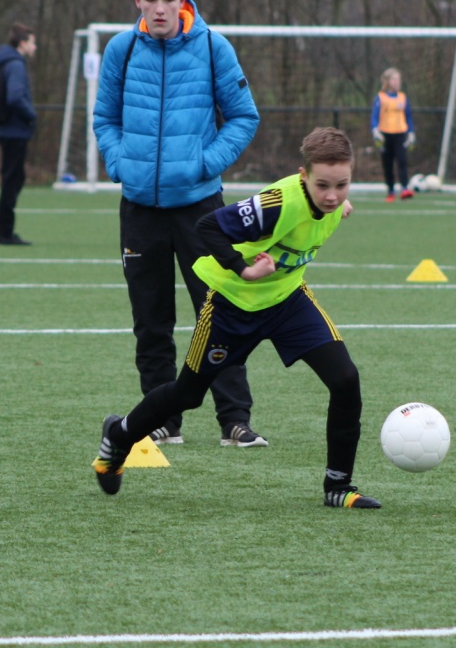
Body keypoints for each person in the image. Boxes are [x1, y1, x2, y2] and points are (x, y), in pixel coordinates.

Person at [92, 127, 378, 509]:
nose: (331, 195)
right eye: (322, 185)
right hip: (231, 306)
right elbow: (208, 226)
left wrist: (338, 203)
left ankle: (338, 487)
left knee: (345, 379)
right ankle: (118, 435)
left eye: (342, 185)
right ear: (303, 175)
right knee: (187, 394)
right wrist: (243, 270)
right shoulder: (277, 204)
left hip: (287, 302)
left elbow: (329, 204)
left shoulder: (332, 203)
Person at [93, 0, 265, 447]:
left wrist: (204, 163)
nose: (160, 9)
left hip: (201, 209)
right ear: (138, 1)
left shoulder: (213, 47)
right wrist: (119, 163)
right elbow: (104, 118)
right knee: (150, 322)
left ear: (183, 1)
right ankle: (162, 421)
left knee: (219, 312)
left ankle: (235, 420)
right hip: (139, 209)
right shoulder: (121, 49)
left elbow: (244, 116)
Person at [0, 23, 38, 246]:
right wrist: (31, 115)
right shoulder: (15, 64)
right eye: (33, 42)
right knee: (12, 181)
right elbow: (15, 97)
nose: (35, 47)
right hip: (15, 131)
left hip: (8, 129)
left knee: (13, 179)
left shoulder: (6, 62)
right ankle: (3, 231)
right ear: (22, 43)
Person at [371, 67, 416, 202]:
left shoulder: (403, 97)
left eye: (398, 79)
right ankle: (390, 191)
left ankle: (405, 188)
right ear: (387, 81)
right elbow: (374, 116)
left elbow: (408, 116)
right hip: (385, 134)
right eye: (394, 79)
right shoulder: (380, 97)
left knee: (402, 161)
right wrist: (375, 130)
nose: (397, 82)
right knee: (388, 164)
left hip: (400, 133)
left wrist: (411, 132)